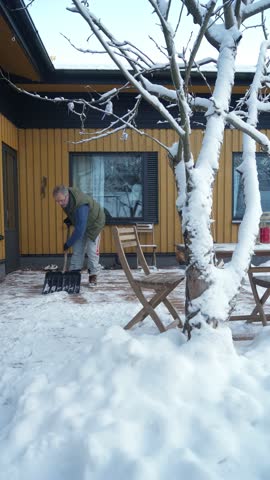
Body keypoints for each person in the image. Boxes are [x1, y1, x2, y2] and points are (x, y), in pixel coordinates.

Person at [53, 185, 105, 287]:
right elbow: (76, 215)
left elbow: (80, 229)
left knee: (92, 251)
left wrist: (68, 243)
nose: (59, 203)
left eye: (61, 200)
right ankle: (74, 273)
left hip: (94, 224)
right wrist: (70, 218)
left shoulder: (81, 204)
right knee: (77, 249)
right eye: (57, 201)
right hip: (82, 222)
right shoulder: (67, 201)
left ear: (67, 196)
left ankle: (93, 275)